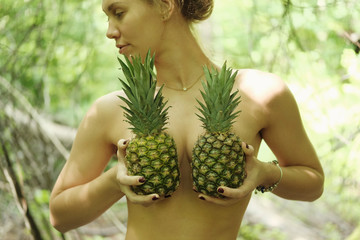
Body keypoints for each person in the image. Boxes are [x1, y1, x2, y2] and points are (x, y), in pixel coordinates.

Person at [49, 0, 325, 239]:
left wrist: (264, 173)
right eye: (106, 18)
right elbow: (60, 216)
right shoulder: (110, 109)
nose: (110, 31)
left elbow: (313, 184)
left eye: (118, 12)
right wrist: (114, 182)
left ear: (164, 6)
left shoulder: (261, 93)